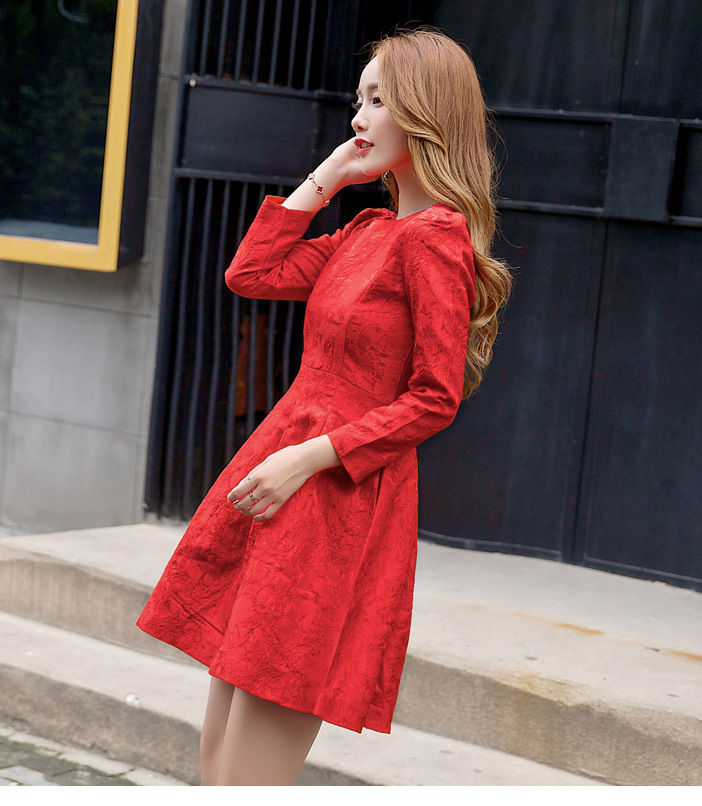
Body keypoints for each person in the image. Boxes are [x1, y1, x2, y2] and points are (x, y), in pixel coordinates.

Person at [137, 27, 512, 786]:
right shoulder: (368, 231)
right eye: (358, 100)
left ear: (425, 112)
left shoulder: (434, 241)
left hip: (334, 496)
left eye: (378, 101)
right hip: (282, 479)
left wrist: (308, 459)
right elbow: (250, 273)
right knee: (219, 763)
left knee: (247, 777)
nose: (358, 117)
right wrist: (329, 176)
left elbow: (434, 398)